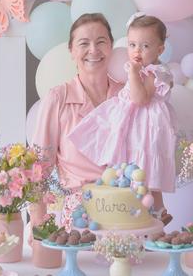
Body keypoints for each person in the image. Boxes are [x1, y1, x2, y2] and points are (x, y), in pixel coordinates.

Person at [68, 13, 176, 225]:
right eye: (132, 44)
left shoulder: (155, 72)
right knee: (129, 172)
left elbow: (140, 98)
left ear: (160, 50)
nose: (137, 51)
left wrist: (134, 73)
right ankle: (143, 212)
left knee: (147, 174)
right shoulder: (138, 68)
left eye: (145, 46)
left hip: (147, 128)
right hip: (132, 124)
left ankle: (158, 213)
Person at [32, 13, 124, 229]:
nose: (94, 50)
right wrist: (38, 227)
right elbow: (38, 169)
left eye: (101, 41)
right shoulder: (57, 99)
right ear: (71, 51)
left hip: (126, 213)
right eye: (84, 43)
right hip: (79, 220)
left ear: (111, 46)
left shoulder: (127, 97)